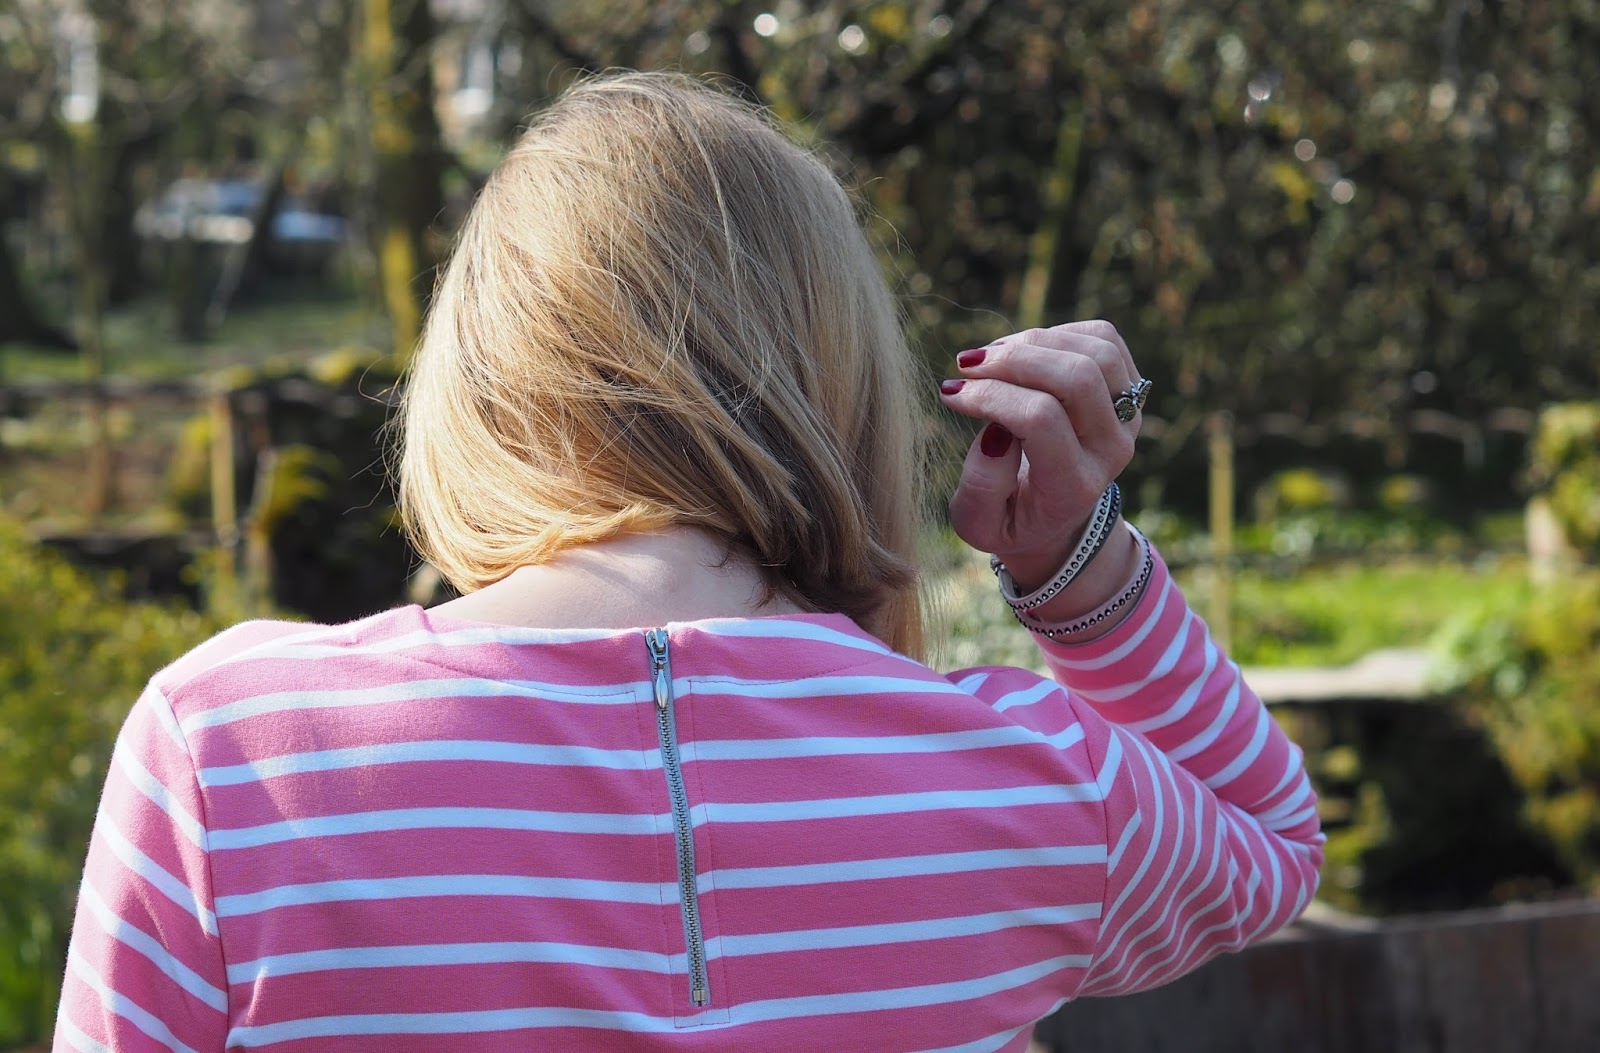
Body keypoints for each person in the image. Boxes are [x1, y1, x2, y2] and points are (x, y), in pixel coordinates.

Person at [55, 72, 1322, 1053]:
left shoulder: (231, 755)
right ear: (842, 380)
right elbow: (1270, 839)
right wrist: (1075, 561)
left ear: (485, 378)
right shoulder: (1030, 777)